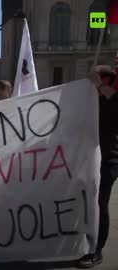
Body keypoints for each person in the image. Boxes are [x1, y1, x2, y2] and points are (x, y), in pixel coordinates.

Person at [76, 65, 118, 268]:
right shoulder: (93, 100)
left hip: (108, 161)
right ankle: (83, 241)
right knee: (85, 202)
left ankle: (97, 250)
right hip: (86, 159)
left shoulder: (113, 98)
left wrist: (98, 82)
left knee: (100, 204)